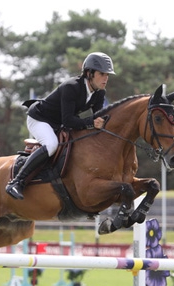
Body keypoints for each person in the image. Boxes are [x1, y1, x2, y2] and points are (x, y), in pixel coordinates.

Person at [6, 52, 115, 200]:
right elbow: (70, 120)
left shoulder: (99, 93)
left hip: (59, 123)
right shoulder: (71, 87)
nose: (106, 78)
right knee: (52, 145)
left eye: (107, 75)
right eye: (102, 74)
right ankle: (17, 182)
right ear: (89, 73)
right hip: (40, 118)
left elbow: (96, 117)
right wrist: (90, 123)